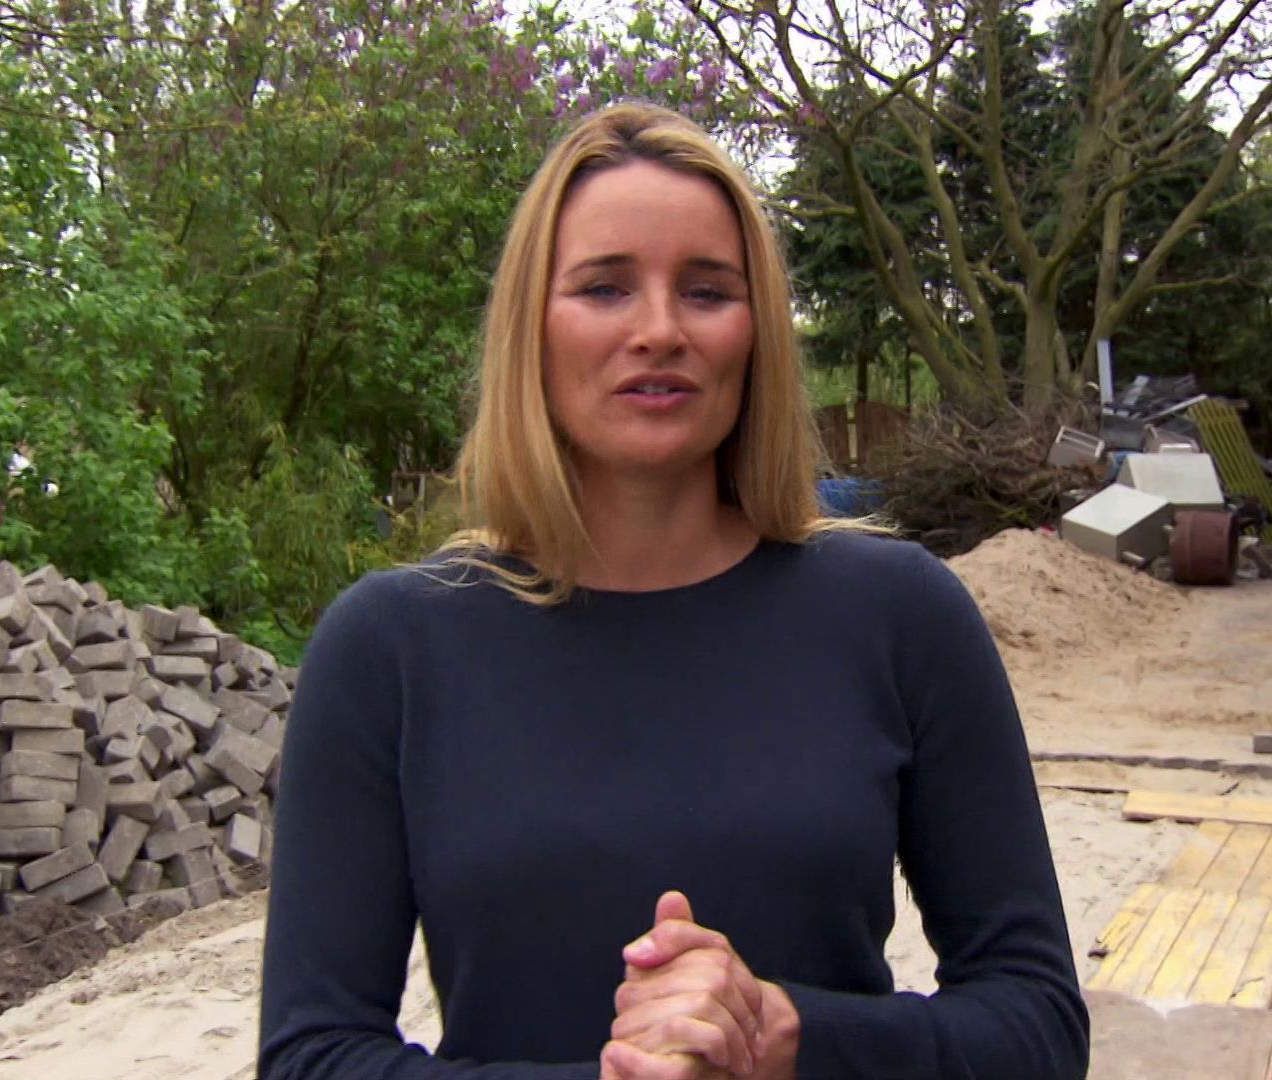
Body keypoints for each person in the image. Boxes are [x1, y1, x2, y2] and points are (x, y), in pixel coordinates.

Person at [258, 100, 1088, 1080]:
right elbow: (310, 1056)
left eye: (706, 291)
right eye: (605, 287)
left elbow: (1037, 1025)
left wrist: (786, 1035)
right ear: (532, 328)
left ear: (755, 331)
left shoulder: (902, 615)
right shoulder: (389, 648)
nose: (659, 330)